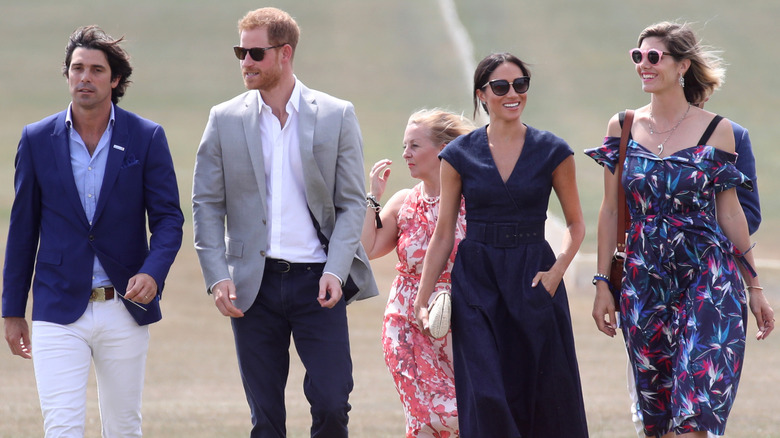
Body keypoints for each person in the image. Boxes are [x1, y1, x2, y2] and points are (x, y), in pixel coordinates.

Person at [192, 7, 378, 438]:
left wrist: (335, 268)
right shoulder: (224, 119)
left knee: (333, 405)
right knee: (266, 420)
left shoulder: (336, 114)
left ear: (285, 53)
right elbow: (205, 204)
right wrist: (217, 276)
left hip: (319, 283)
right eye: (240, 51)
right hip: (252, 287)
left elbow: (351, 204)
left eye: (255, 52)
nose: (245, 62)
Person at [586, 21, 774, 437]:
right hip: (642, 280)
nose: (643, 65)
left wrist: (754, 286)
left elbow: (731, 214)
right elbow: (611, 212)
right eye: (638, 56)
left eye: (654, 57)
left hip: (707, 276)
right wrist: (603, 282)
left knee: (696, 411)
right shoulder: (621, 127)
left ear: (682, 66)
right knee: (657, 419)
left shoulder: (718, 130)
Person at [2, 25, 184, 437]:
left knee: (123, 428)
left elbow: (169, 219)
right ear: (67, 75)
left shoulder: (146, 136)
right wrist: (13, 311)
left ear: (115, 80)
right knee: (62, 428)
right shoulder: (35, 140)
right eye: (77, 68)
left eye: (96, 70)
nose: (85, 77)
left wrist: (153, 273)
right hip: (57, 307)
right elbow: (22, 230)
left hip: (124, 308)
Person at [414, 53, 589, 437]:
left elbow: (576, 224)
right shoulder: (458, 155)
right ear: (482, 94)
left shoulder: (553, 150)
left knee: (543, 391)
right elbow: (444, 233)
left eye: (520, 84)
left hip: (535, 277)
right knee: (487, 394)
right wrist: (423, 298)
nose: (512, 93)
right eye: (501, 86)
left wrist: (557, 270)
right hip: (477, 279)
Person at [361, 109, 473, 437]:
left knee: (464, 410)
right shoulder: (403, 201)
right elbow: (368, 248)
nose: (405, 155)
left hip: (460, 323)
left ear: (443, 150)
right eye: (404, 146)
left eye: (414, 146)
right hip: (406, 322)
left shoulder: (473, 200)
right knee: (431, 414)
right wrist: (374, 198)